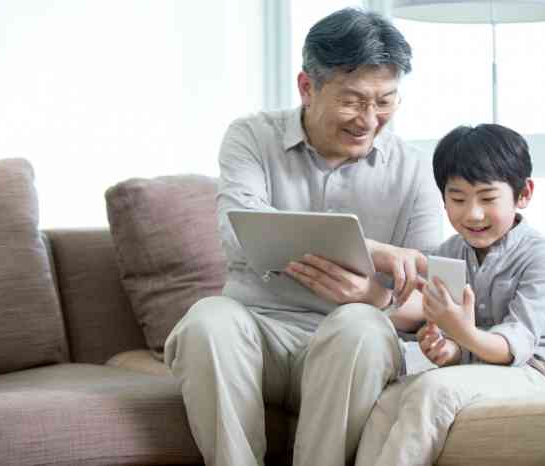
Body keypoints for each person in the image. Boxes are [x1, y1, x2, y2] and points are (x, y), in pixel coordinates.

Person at [163, 7, 443, 466]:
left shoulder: (414, 171)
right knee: (207, 320)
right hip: (258, 333)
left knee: (360, 327)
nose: (369, 119)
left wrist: (375, 296)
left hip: (352, 346)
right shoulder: (251, 137)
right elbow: (238, 235)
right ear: (307, 87)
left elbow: (434, 301)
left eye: (386, 101)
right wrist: (370, 251)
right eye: (353, 100)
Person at [355, 123, 545, 466]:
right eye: (457, 199)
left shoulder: (540, 257)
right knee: (389, 399)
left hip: (537, 372)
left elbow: (509, 349)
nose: (472, 214)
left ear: (524, 194)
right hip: (481, 368)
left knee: (432, 391)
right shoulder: (450, 253)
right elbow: (455, 343)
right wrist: (446, 348)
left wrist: (461, 332)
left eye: (488, 198)